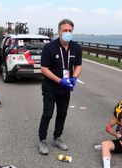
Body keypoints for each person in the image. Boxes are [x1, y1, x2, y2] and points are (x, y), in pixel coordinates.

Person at [38, 19, 82, 155]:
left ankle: (57, 138)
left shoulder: (76, 47)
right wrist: (59, 80)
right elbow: (43, 68)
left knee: (62, 113)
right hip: (50, 87)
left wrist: (74, 78)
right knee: (48, 113)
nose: (67, 33)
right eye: (65, 30)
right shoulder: (49, 47)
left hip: (65, 88)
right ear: (59, 32)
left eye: (70, 31)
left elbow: (78, 66)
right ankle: (42, 139)